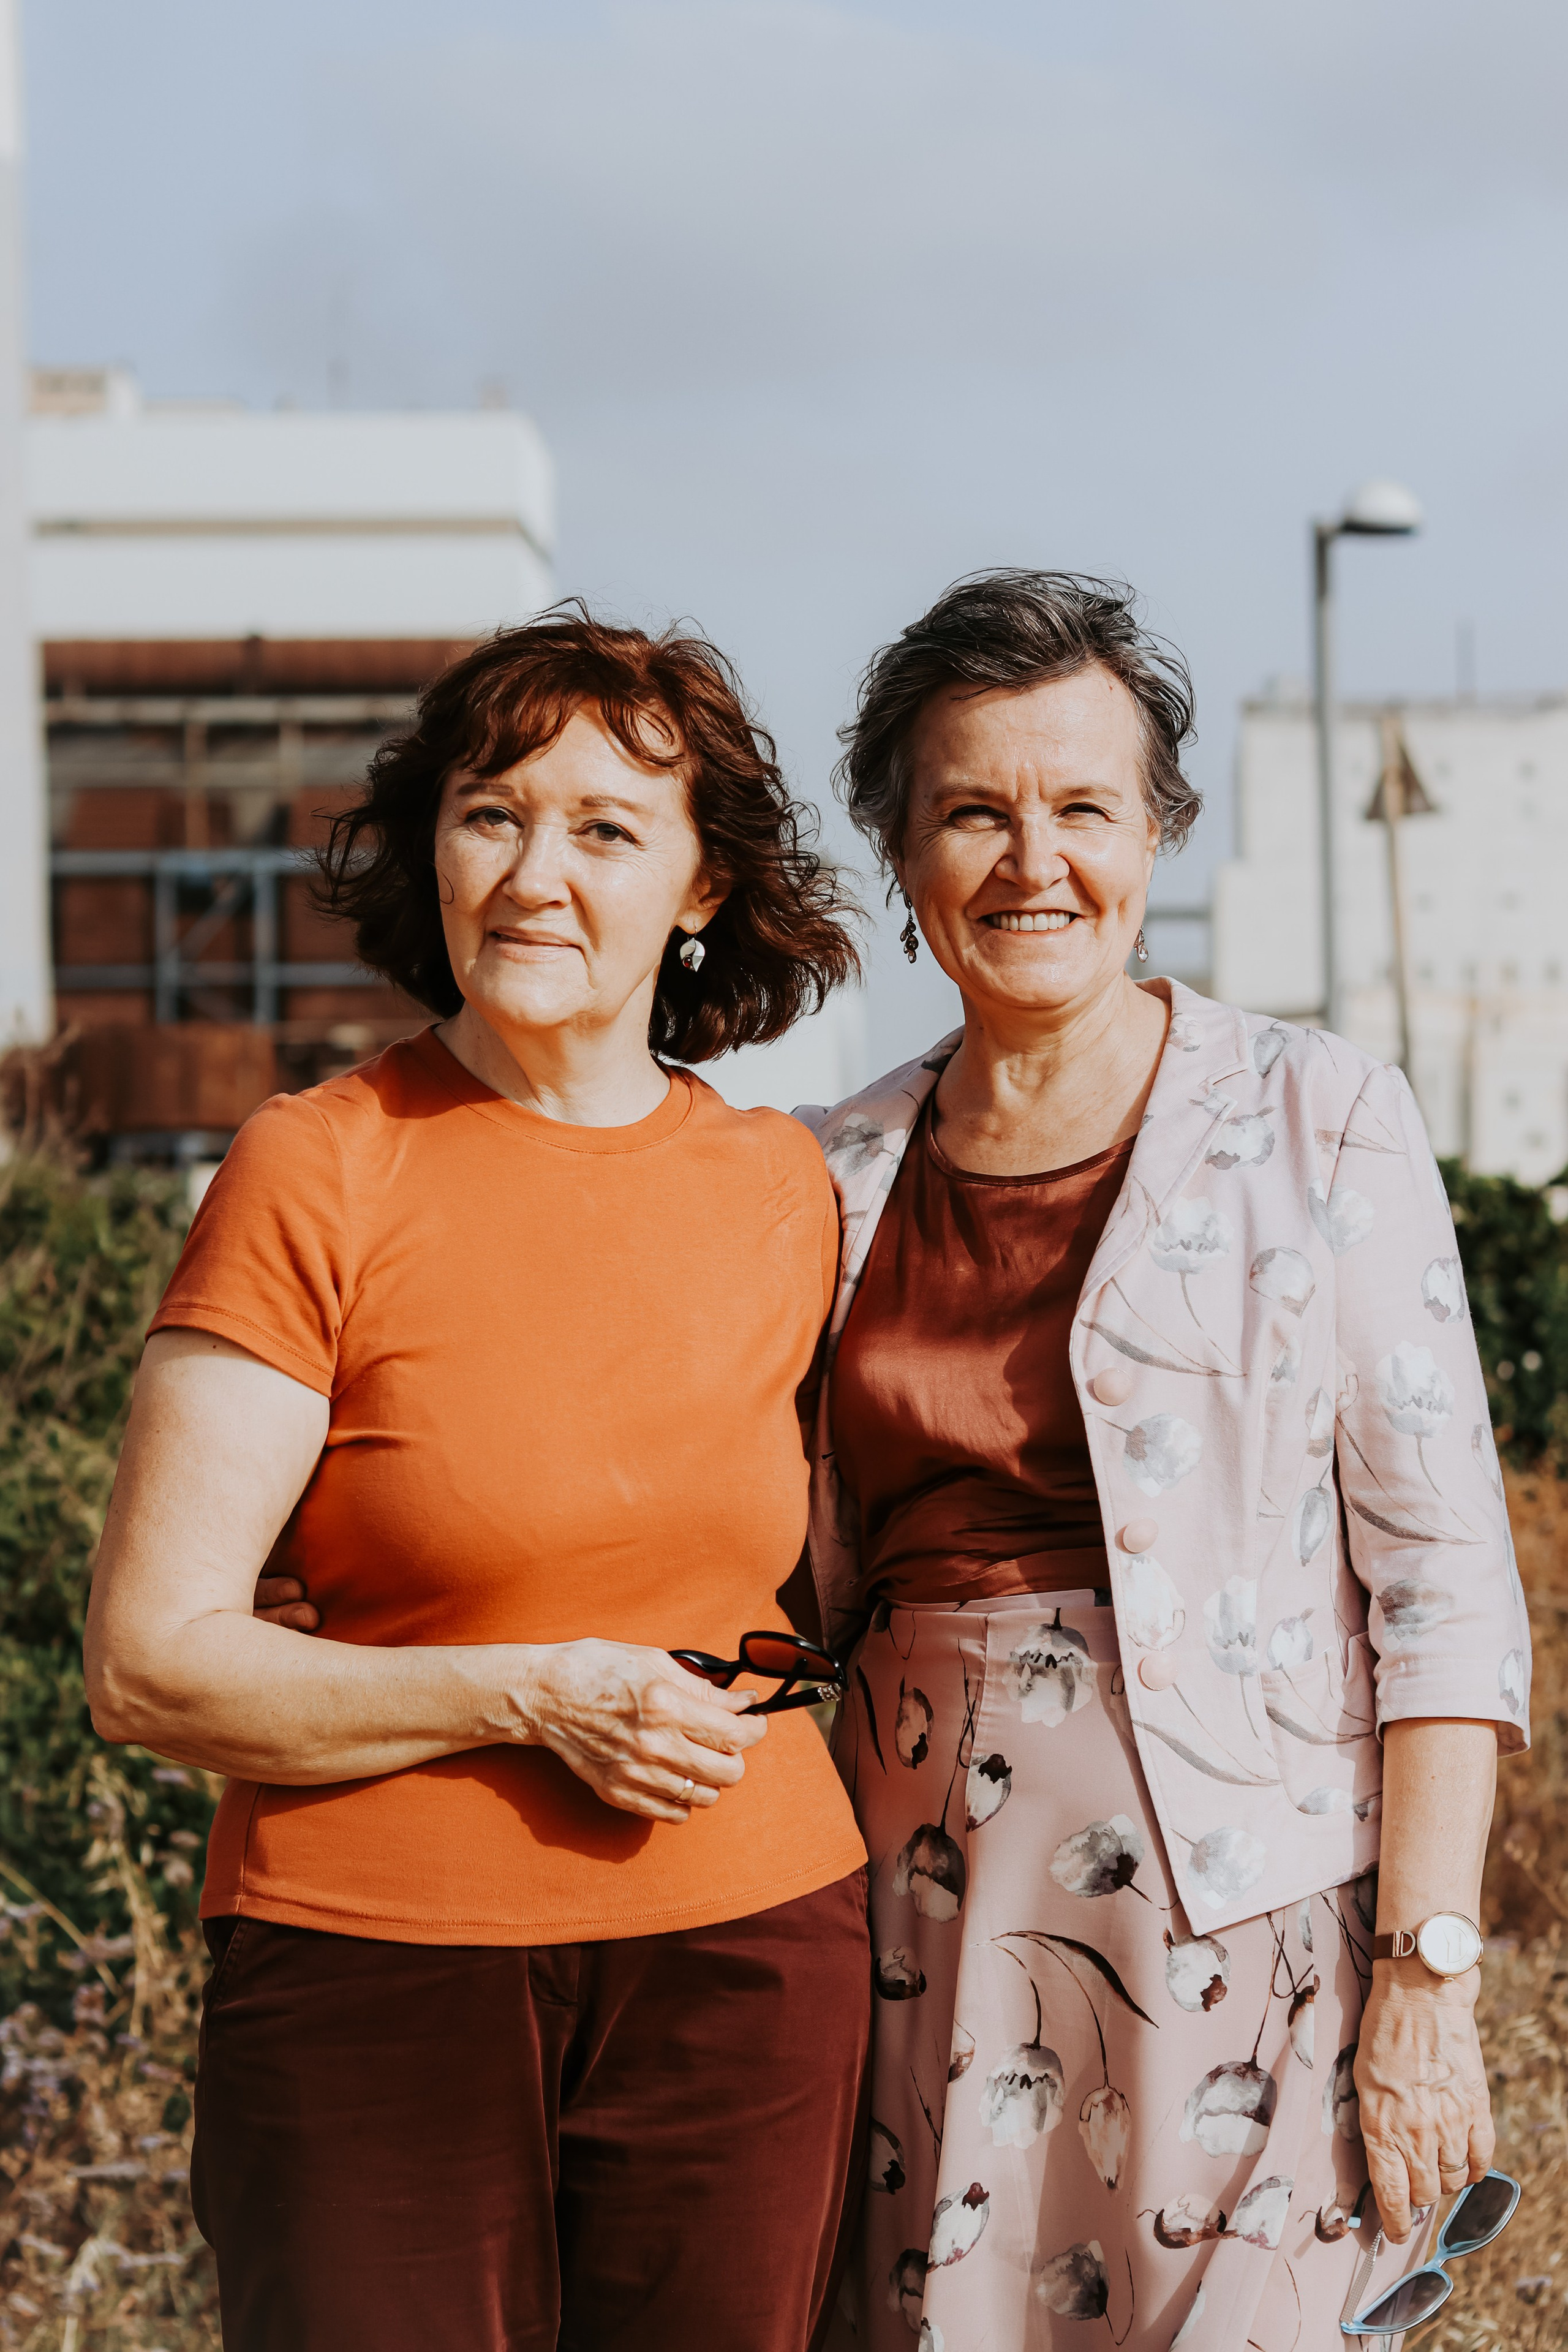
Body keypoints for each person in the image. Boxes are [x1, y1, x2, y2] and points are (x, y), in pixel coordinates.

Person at [83, 610, 872, 2352]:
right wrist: (536, 1697)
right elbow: (150, 1660)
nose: (534, 872)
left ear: (700, 892)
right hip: (375, 1974)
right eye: (491, 811)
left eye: (606, 830)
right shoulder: (316, 1165)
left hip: (749, 1955)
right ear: (429, 847)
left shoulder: (788, 1190)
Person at [798, 571, 1528, 2351]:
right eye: (974, 809)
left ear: (1157, 836)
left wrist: (1425, 1980)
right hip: (906, 1913)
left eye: (1082, 809)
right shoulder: (828, 1174)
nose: (1029, 859)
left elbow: (1441, 1586)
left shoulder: (1319, 1116)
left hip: (1245, 1918)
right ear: (903, 852)